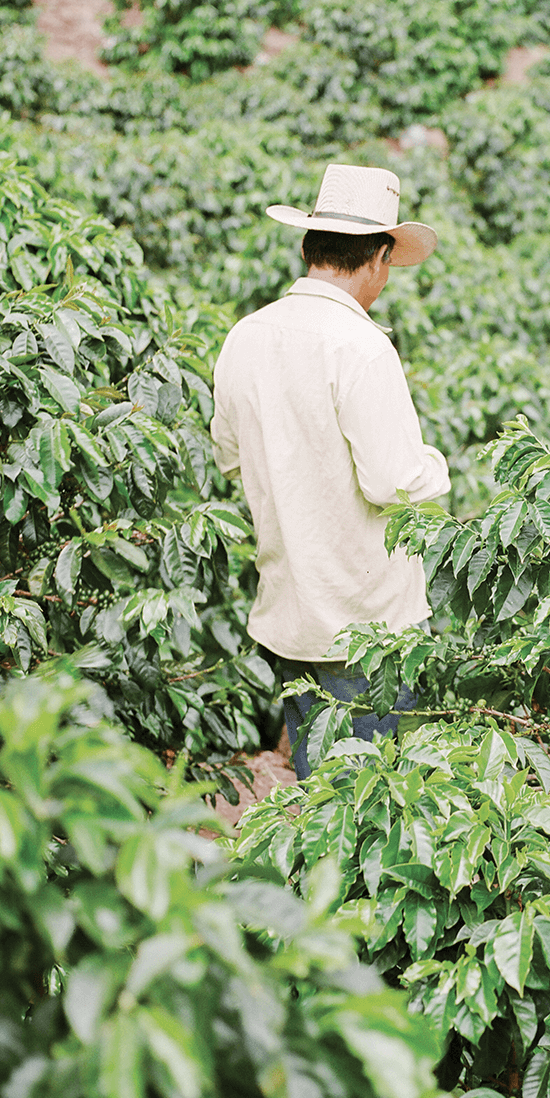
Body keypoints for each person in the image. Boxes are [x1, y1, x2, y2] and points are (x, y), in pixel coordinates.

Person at [210, 164, 450, 779]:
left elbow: (228, 456)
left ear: (307, 248)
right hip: (367, 620)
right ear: (378, 258)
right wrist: (436, 467)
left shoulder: (245, 336)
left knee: (318, 784)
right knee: (377, 791)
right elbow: (395, 483)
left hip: (291, 605)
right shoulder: (361, 345)